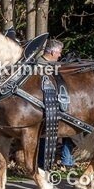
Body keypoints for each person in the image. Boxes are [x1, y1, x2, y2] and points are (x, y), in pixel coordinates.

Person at [37, 39, 74, 169]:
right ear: (52, 52)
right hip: (43, 108)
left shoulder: (52, 64)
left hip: (54, 105)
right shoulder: (40, 65)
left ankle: (50, 164)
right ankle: (42, 165)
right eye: (59, 52)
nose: (60, 55)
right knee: (43, 139)